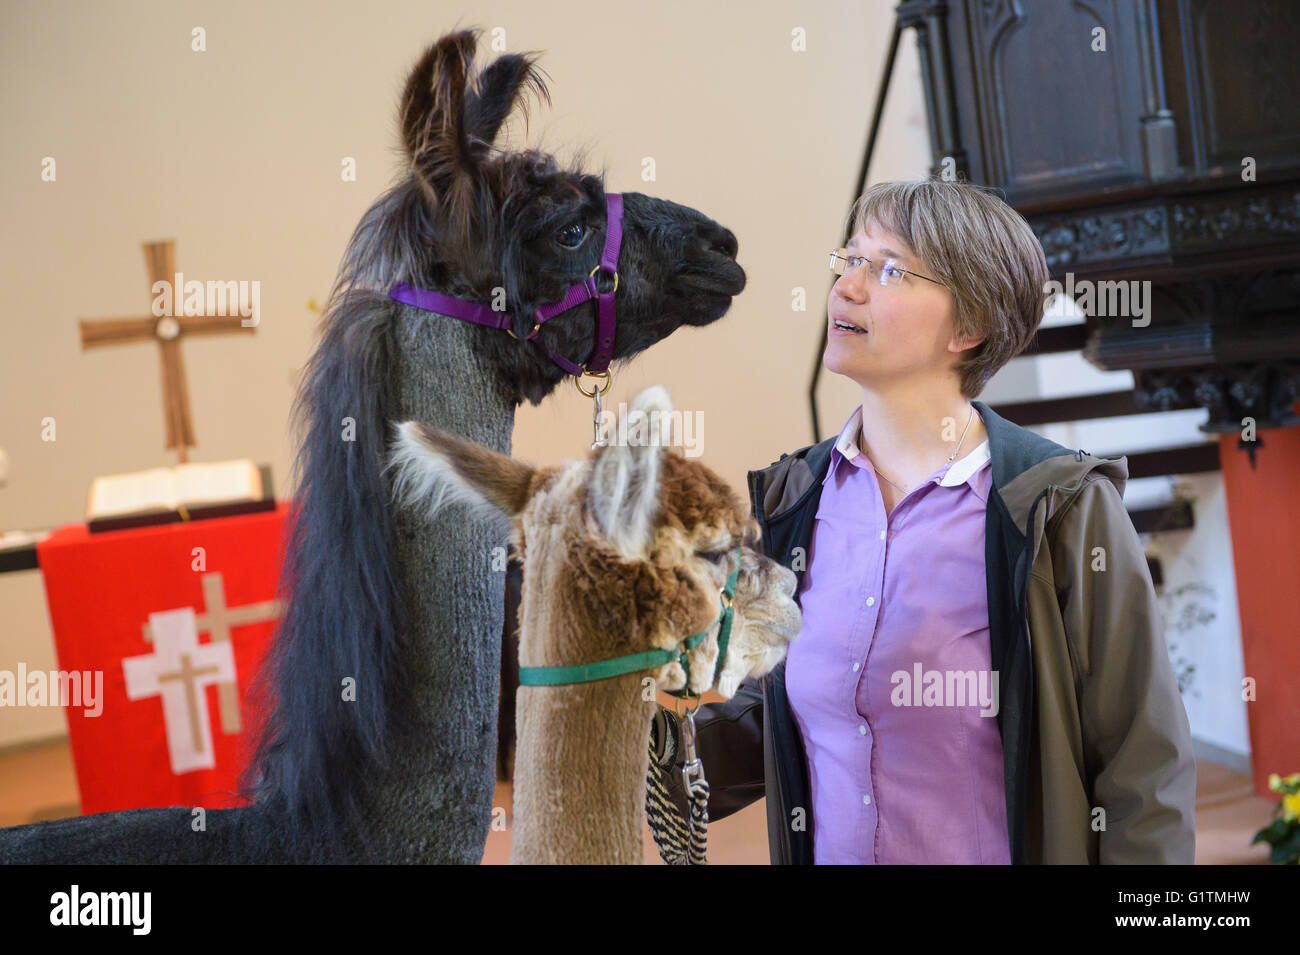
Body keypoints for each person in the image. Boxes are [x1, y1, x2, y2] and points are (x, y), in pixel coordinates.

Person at [649, 178, 1196, 864]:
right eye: (847, 260)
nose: (847, 287)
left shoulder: (1060, 508)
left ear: (968, 327)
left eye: (886, 269)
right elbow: (784, 710)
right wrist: (621, 712)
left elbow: (1142, 766)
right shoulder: (794, 500)